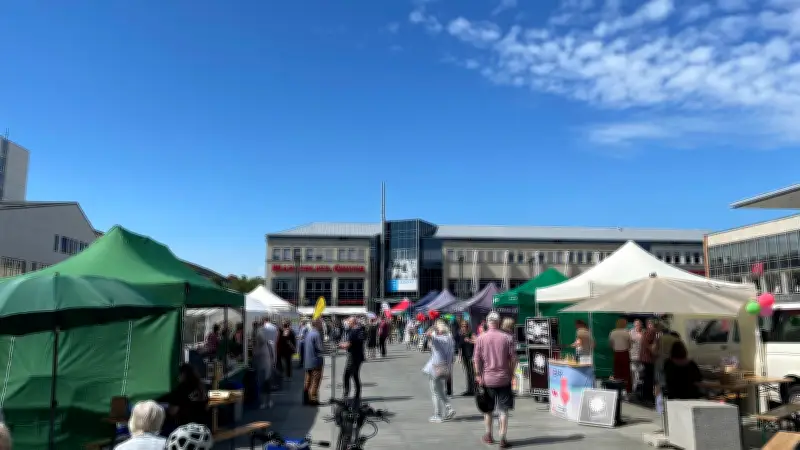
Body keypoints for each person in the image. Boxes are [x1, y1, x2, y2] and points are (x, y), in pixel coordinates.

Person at [474, 312, 516, 448]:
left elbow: (476, 359)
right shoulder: (507, 337)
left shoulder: (481, 338)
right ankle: (503, 438)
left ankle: (488, 435)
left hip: (487, 379)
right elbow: (514, 358)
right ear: (499, 322)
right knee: (503, 410)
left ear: (487, 322)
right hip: (504, 378)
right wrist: (511, 373)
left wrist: (478, 375)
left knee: (488, 410)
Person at [158, 364, 209, 433]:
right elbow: (206, 407)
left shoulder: (180, 389)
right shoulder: (202, 388)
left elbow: (172, 411)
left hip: (185, 428)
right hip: (202, 427)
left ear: (183, 375)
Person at [423, 319, 456, 423]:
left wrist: (433, 327)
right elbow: (451, 356)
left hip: (435, 366)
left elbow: (427, 334)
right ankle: (449, 407)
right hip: (445, 366)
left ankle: (437, 415)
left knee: (434, 392)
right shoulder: (450, 339)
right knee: (440, 390)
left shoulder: (437, 338)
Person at [340, 316, 366, 400]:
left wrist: (341, 345)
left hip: (353, 356)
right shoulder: (360, 330)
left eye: (349, 322)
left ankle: (346, 394)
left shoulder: (353, 331)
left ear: (353, 322)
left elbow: (349, 344)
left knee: (346, 375)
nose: (348, 323)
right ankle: (357, 394)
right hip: (359, 356)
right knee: (355, 375)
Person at [254, 317, 276, 409]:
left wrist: (273, 363)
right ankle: (264, 402)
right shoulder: (259, 346)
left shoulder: (268, 344)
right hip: (262, 367)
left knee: (267, 385)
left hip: (266, 367)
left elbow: (273, 355)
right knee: (262, 385)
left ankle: (268, 401)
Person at [303, 319, 325, 406]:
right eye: (321, 323)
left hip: (308, 360)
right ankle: (313, 400)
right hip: (315, 361)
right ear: (317, 324)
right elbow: (320, 348)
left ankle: (305, 399)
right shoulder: (316, 334)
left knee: (307, 381)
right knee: (315, 381)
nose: (322, 325)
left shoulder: (309, 333)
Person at [608, 318, 632, 394]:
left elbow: (611, 344)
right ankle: (628, 389)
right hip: (625, 353)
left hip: (616, 353)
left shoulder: (612, 332)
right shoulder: (626, 332)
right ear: (624, 324)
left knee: (617, 372)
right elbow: (630, 345)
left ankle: (617, 389)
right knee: (627, 372)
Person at [639, 318, 658, 404]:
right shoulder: (652, 331)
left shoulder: (645, 332)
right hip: (649, 358)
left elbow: (645, 343)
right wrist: (653, 351)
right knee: (649, 378)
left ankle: (645, 396)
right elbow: (648, 344)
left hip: (644, 358)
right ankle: (648, 396)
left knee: (647, 377)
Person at [458, 320, 477, 396]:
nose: (464, 327)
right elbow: (460, 347)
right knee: (468, 373)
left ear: (468, 326)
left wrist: (469, 340)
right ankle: (469, 390)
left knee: (472, 373)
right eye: (463, 326)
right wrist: (459, 357)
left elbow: (477, 341)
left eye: (465, 326)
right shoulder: (461, 334)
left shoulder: (471, 333)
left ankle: (474, 390)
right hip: (464, 356)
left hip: (470, 356)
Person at [629, 319, 644, 394]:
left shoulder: (643, 332)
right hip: (633, 356)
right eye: (635, 325)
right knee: (633, 372)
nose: (637, 326)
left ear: (641, 325)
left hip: (642, 356)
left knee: (640, 372)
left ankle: (637, 388)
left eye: (638, 324)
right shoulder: (631, 332)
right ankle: (633, 389)